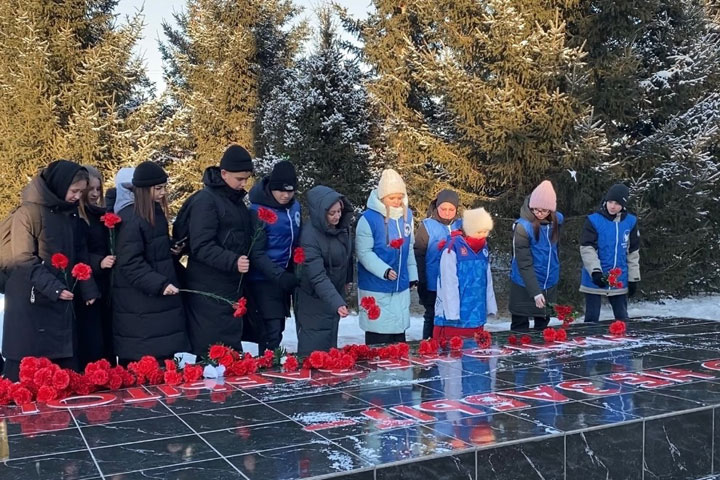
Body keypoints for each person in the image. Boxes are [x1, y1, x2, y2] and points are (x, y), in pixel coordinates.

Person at [180, 145, 285, 355]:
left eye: (247, 179)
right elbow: (201, 245)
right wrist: (233, 260)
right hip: (208, 291)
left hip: (231, 290)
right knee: (213, 355)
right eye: (239, 179)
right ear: (224, 173)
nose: (243, 184)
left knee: (230, 355)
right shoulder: (206, 201)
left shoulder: (235, 202)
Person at [3, 160, 99, 381]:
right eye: (74, 191)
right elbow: (23, 258)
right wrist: (54, 288)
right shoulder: (27, 214)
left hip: (61, 302)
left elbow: (80, 253)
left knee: (64, 371)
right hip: (31, 303)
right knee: (28, 375)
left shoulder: (71, 215)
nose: (78, 197)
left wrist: (88, 287)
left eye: (81, 192)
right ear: (60, 185)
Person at [113, 161, 189, 363]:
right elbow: (129, 262)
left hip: (157, 303)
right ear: (144, 189)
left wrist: (172, 248)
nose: (163, 193)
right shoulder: (131, 218)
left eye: (164, 187)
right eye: (158, 188)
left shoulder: (154, 212)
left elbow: (153, 249)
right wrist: (160, 284)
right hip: (141, 306)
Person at [356, 169, 418, 345]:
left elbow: (409, 248)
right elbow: (364, 253)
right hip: (377, 287)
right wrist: (384, 270)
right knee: (379, 338)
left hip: (400, 286)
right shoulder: (368, 219)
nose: (397, 202)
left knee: (399, 337)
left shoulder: (407, 216)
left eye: (400, 197)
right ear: (383, 197)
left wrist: (412, 276)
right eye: (392, 198)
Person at [248, 161, 301, 353]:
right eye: (281, 191)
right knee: (271, 329)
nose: (286, 195)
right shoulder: (258, 211)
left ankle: (271, 365)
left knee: (278, 329)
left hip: (284, 276)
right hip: (263, 278)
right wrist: (279, 275)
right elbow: (256, 252)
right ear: (272, 188)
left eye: (290, 191)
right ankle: (267, 370)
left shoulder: (295, 208)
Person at [295, 186, 354, 355]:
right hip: (314, 300)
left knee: (330, 348)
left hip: (332, 298)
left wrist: (347, 281)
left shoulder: (342, 229)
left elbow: (348, 257)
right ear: (321, 212)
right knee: (314, 352)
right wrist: (337, 301)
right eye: (332, 213)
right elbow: (317, 276)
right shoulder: (309, 236)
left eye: (339, 211)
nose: (337, 216)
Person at [580, 183, 640, 322]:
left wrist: (633, 278)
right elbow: (587, 248)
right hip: (595, 277)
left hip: (619, 277)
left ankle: (623, 342)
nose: (613, 206)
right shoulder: (593, 220)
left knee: (622, 318)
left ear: (623, 205)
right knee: (591, 319)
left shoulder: (630, 222)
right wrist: (595, 272)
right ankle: (590, 340)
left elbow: (633, 252)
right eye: (610, 202)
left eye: (617, 203)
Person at [434, 207, 497, 340]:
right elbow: (448, 282)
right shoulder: (452, 248)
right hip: (456, 317)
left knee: (475, 354)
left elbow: (487, 279)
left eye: (486, 231)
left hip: (477, 313)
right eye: (479, 231)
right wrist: (452, 313)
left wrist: (490, 305)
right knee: (454, 353)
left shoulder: (483, 249)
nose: (483, 235)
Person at [509, 180, 563, 331]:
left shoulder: (556, 222)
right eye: (536, 209)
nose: (539, 214)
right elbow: (524, 263)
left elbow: (556, 249)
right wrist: (535, 292)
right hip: (524, 282)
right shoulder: (522, 227)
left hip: (548, 281)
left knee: (542, 329)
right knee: (520, 328)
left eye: (544, 210)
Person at [77, 165, 116, 365]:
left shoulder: (101, 214)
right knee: (93, 339)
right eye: (90, 189)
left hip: (106, 284)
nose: (94, 194)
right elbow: (78, 251)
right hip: (89, 284)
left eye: (97, 189)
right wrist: (98, 262)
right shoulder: (78, 217)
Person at [414, 189, 462, 340]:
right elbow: (419, 254)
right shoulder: (427, 226)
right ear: (437, 207)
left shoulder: (460, 226)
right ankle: (428, 344)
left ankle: (448, 344)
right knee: (432, 315)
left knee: (452, 315)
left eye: (451, 209)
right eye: (443, 209)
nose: (447, 213)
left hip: (455, 282)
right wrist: (421, 280)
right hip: (432, 282)